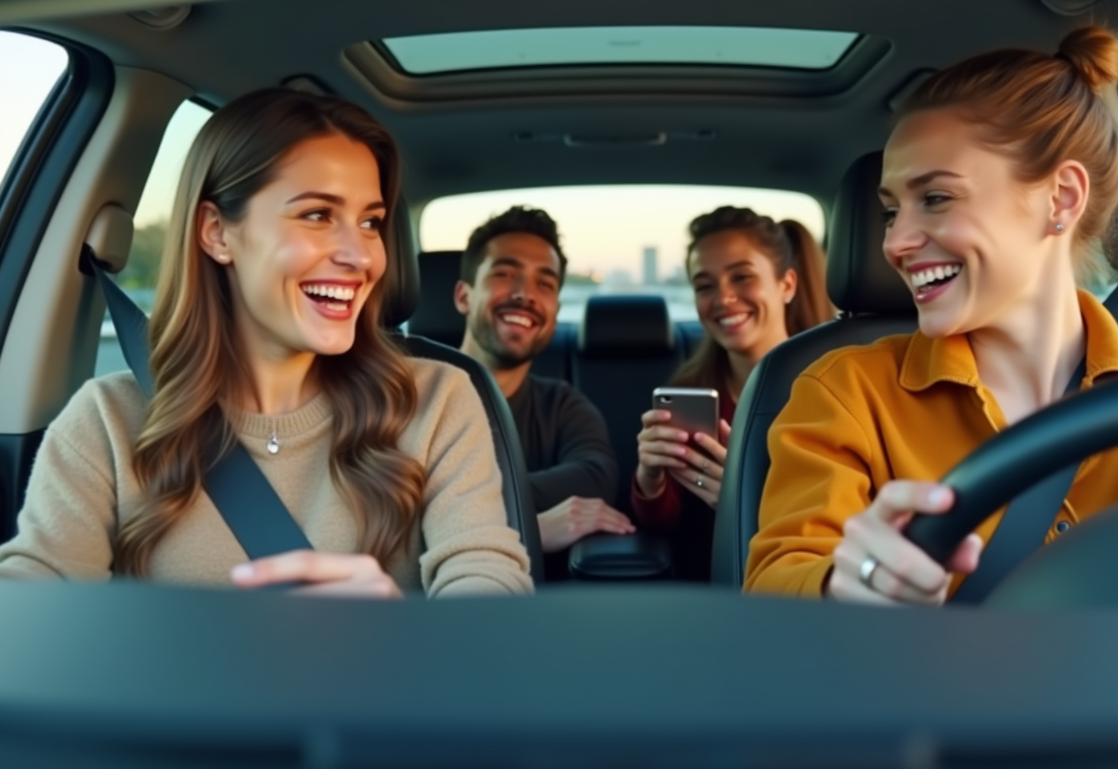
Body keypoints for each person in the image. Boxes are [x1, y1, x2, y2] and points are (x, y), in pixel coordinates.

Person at [0, 89, 533, 597]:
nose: (362, 255)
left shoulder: (437, 401)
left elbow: (486, 581)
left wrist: (397, 635)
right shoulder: (107, 422)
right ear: (216, 232)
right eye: (318, 215)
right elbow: (33, 598)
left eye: (370, 222)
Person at [746, 26, 1118, 605]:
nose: (896, 243)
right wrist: (848, 583)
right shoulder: (845, 394)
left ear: (1060, 198)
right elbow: (775, 585)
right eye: (890, 211)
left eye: (935, 198)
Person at [632, 207, 833, 580]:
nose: (723, 298)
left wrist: (746, 499)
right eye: (705, 286)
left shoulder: (834, 386)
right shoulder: (691, 391)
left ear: (787, 284)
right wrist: (651, 479)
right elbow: (664, 525)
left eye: (742, 277)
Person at [453, 206, 631, 575]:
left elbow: (596, 476)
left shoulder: (563, 405)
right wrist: (523, 527)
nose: (525, 294)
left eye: (545, 284)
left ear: (555, 310)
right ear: (463, 296)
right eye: (504, 273)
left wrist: (453, 505)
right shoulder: (406, 394)